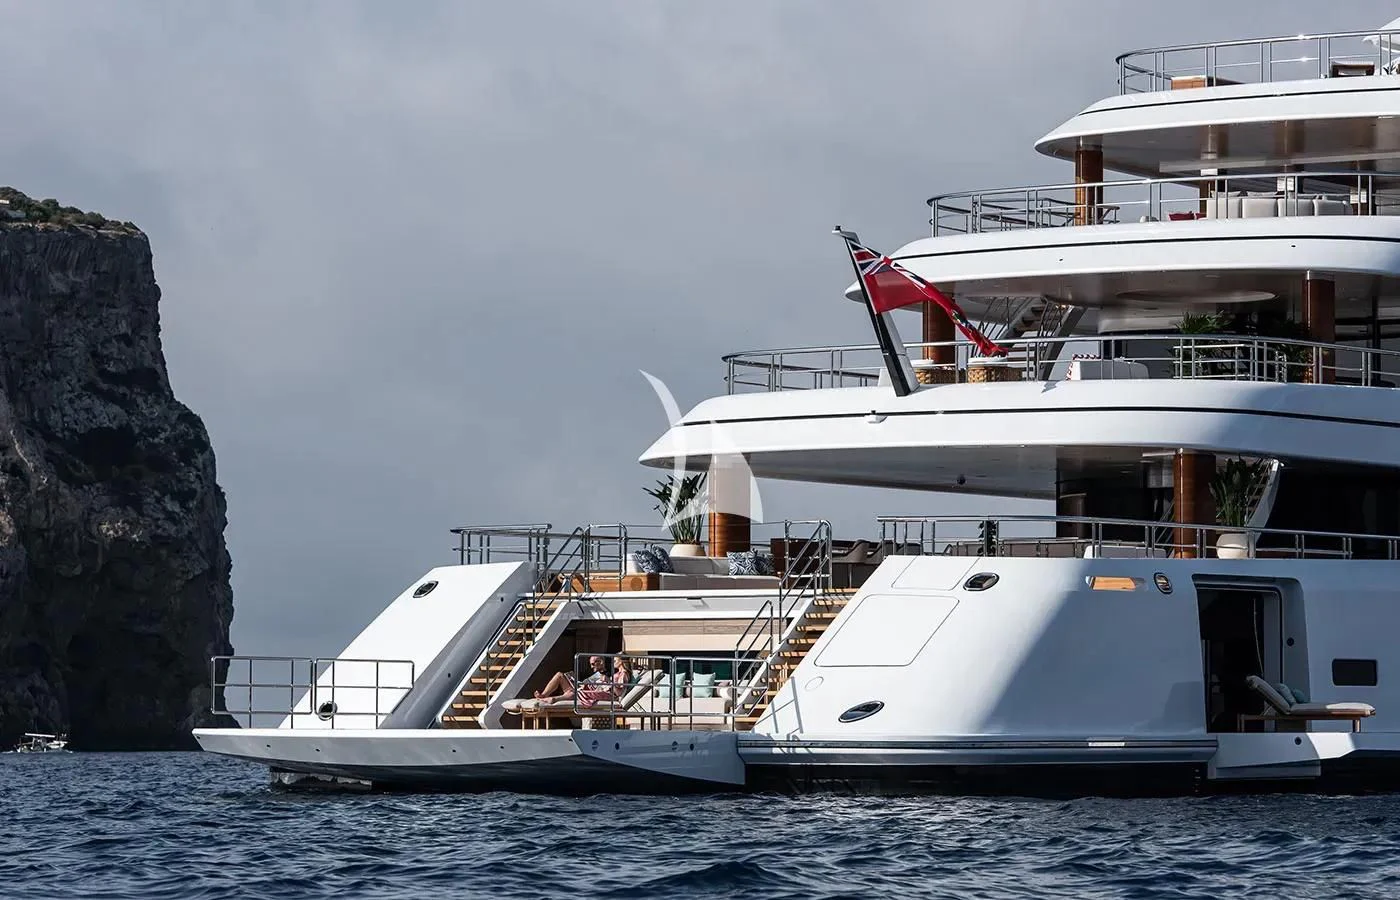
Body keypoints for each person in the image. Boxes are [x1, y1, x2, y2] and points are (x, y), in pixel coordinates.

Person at [534, 655, 607, 701]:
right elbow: (582, 681)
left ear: (600, 662)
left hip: (584, 692)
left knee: (562, 678)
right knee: (559, 675)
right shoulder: (590, 672)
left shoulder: (608, 673)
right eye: (591, 664)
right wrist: (572, 677)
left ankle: (550, 698)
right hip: (578, 687)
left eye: (593, 664)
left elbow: (604, 688)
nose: (591, 666)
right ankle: (543, 695)